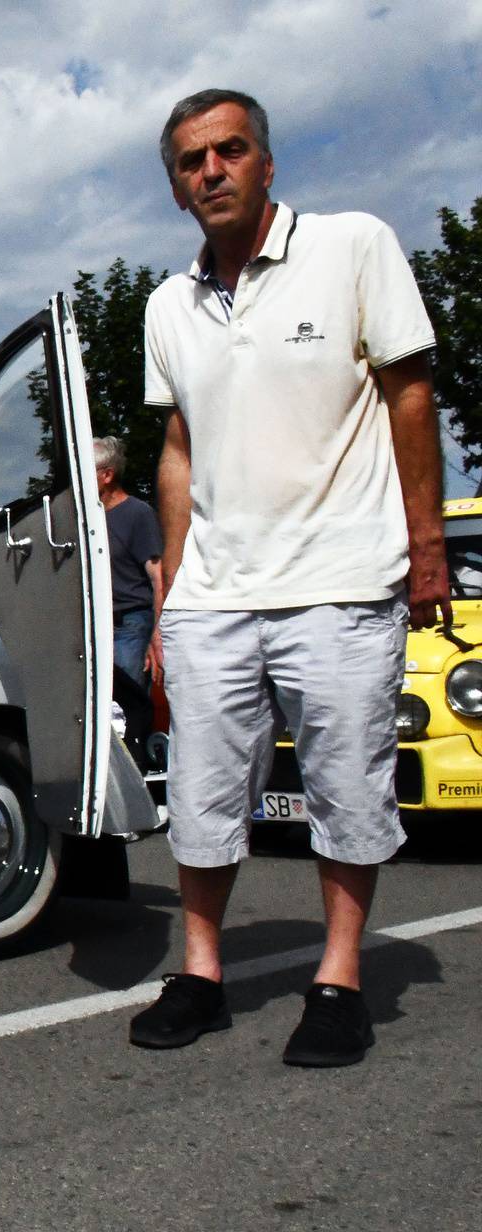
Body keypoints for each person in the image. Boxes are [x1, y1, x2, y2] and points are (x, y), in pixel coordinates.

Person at [129, 89, 446, 1067]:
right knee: (203, 787)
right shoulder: (166, 306)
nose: (212, 170)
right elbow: (177, 447)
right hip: (216, 591)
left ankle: (339, 976)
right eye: (192, 161)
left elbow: (410, 389)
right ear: (177, 188)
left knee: (346, 787)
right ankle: (201, 970)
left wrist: (426, 542)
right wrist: (170, 591)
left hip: (341, 576)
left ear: (267, 163)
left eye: (230, 151)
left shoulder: (353, 247)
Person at [96, 436, 164, 687]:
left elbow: (159, 579)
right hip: (97, 626)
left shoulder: (138, 513)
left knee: (128, 703)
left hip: (131, 625)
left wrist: (155, 635)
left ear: (107, 475)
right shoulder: (88, 520)